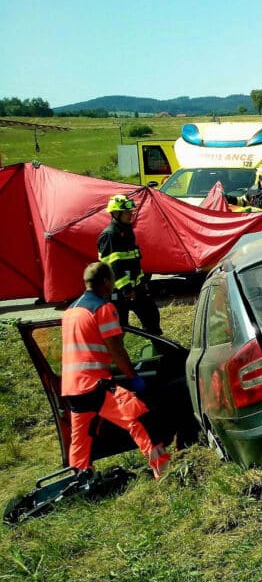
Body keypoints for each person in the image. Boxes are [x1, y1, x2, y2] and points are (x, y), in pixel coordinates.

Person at [61, 262, 171, 479]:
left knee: (81, 439)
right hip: (95, 385)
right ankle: (164, 470)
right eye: (111, 281)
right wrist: (133, 377)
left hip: (72, 388)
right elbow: (117, 350)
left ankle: (80, 480)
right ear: (105, 282)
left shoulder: (70, 312)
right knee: (138, 417)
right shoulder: (103, 309)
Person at [98, 194, 162, 334]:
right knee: (119, 329)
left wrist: (141, 282)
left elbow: (134, 262)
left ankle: (160, 351)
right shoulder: (110, 235)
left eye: (131, 211)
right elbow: (112, 267)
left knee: (152, 318)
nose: (130, 214)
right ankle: (116, 355)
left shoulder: (127, 232)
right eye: (127, 212)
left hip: (134, 288)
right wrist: (126, 289)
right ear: (115, 213)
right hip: (118, 292)